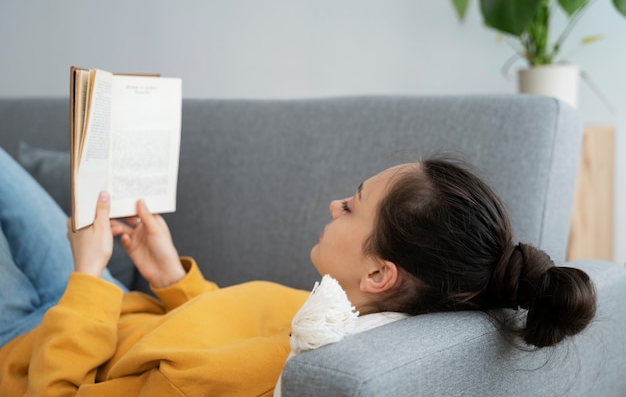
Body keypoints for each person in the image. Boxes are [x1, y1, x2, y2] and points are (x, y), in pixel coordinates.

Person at [0, 147, 596, 396]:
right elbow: (217, 334)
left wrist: (87, 277)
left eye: (353, 206)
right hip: (94, 309)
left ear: (380, 273)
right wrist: (169, 280)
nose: (336, 205)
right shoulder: (333, 319)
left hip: (33, 345)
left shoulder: (263, 376)